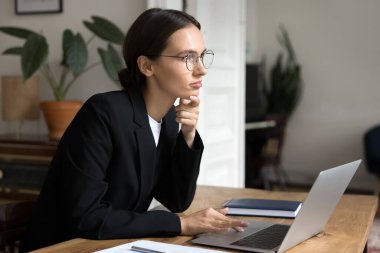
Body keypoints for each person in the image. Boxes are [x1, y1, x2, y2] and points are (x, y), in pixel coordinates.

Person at [20, 8, 247, 252]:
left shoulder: (169, 119)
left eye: (202, 56)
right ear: (147, 65)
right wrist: (181, 224)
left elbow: (176, 200)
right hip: (65, 247)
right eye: (187, 58)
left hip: (115, 244)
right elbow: (87, 217)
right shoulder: (102, 113)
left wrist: (188, 135)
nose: (201, 69)